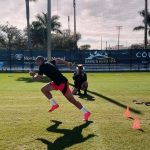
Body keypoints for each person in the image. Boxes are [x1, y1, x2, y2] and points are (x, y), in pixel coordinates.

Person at [29, 56, 91, 122]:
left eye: (37, 61)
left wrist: (33, 76)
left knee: (72, 100)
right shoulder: (49, 63)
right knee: (44, 89)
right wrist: (66, 63)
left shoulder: (42, 67)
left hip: (62, 83)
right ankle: (54, 104)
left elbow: (39, 78)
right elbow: (58, 60)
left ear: (40, 61)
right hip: (56, 83)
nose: (36, 63)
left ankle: (86, 112)